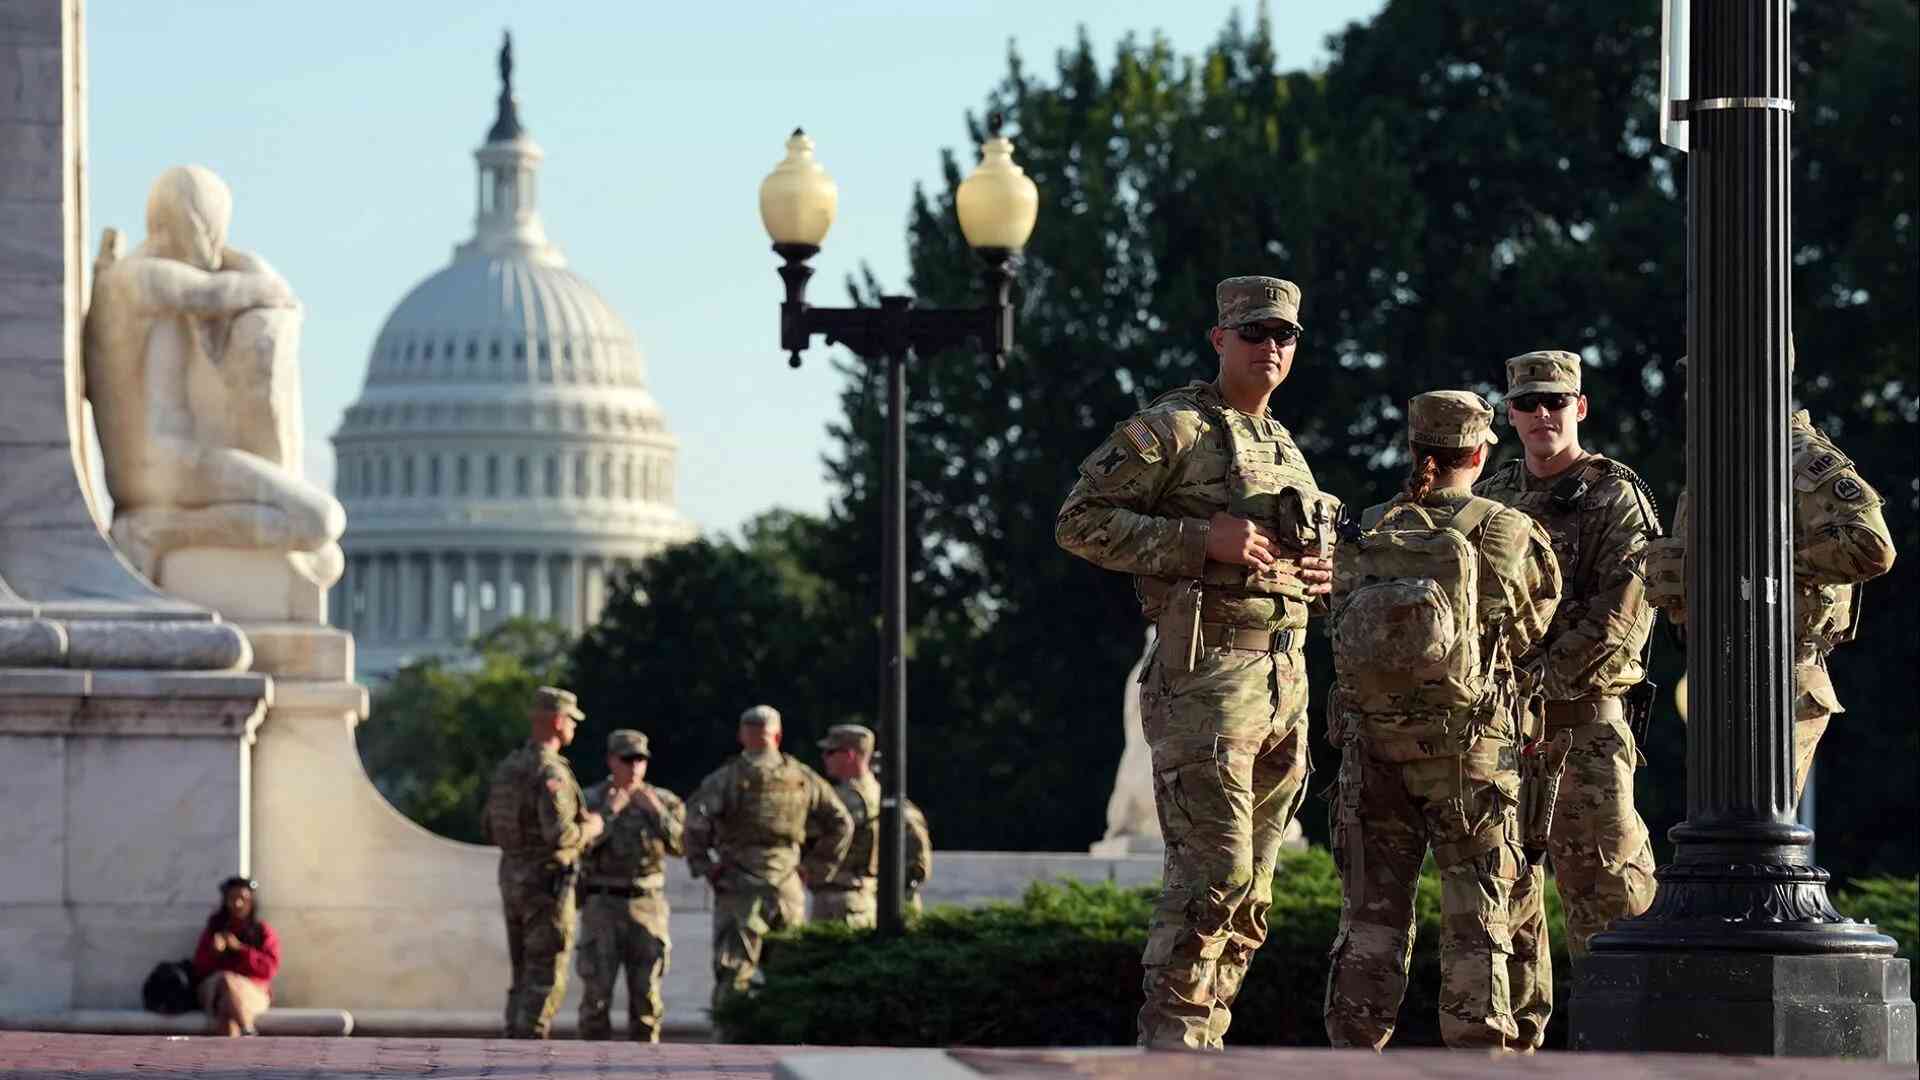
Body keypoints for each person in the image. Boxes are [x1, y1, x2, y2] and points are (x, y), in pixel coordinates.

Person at [1055, 276, 1341, 1050]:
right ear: (1220, 339)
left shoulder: (1283, 443)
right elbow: (1079, 521)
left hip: (1284, 681)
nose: (1270, 347)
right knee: (1210, 876)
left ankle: (1203, 1043)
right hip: (1207, 676)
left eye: (1284, 335)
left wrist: (1321, 574)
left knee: (1253, 889)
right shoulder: (1173, 428)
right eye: (1254, 333)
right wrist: (1195, 541)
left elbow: (1294, 553)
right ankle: (1170, 1047)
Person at [1322, 391, 1562, 1050]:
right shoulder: (1509, 530)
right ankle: (1479, 1057)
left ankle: (1352, 1054)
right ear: (1480, 453)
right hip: (1472, 755)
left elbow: (1336, 622)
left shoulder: (1368, 526)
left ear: (1415, 451)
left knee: (1371, 917)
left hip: (1371, 751)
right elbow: (1530, 630)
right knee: (1477, 915)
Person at [1472, 349, 1660, 1047]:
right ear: (1510, 413)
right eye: (1528, 403)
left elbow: (1621, 621)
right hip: (1502, 739)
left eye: (1557, 401)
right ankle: (1520, 1058)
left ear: (1581, 408)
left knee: (1610, 910)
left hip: (1583, 734)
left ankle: (1631, 1056)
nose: (1542, 414)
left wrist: (1527, 683)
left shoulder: (1616, 495)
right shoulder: (1492, 495)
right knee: (1505, 911)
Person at [1646, 402, 1895, 803]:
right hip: (1720, 673)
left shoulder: (1800, 454)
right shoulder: (1718, 458)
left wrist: (1767, 562)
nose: (1697, 395)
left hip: (1781, 678)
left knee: (1751, 826)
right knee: (1720, 828)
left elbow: (1872, 547)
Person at [684, 705, 852, 1010]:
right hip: (787, 884)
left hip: (739, 885)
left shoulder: (727, 778)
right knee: (789, 974)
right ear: (778, 734)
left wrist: (707, 868)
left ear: (742, 735)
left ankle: (730, 1042)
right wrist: (815, 868)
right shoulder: (802, 777)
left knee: (734, 971)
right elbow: (841, 822)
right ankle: (786, 1041)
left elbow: (694, 822)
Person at [480, 686, 603, 1039]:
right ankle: (527, 1051)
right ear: (558, 720)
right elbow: (560, 835)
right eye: (572, 721)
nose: (575, 729)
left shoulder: (510, 766)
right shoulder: (550, 772)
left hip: (513, 878)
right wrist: (591, 828)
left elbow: (489, 825)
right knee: (545, 973)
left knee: (522, 973)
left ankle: (513, 1040)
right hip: (545, 885)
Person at [576, 729, 685, 1042]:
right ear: (612, 761)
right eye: (627, 759)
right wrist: (611, 811)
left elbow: (684, 845)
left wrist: (657, 813)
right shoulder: (592, 799)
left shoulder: (663, 800)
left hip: (647, 905)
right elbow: (580, 844)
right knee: (595, 1000)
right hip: (602, 905)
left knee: (647, 1002)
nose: (635, 766)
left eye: (641, 759)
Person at [809, 724, 932, 927]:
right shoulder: (890, 798)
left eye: (830, 752)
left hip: (840, 900)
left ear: (849, 754)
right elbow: (918, 860)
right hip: (867, 898)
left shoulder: (844, 800)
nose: (824, 757)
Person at [191, 876, 280, 1037]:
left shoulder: (262, 930)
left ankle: (230, 1057)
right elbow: (198, 969)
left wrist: (240, 949)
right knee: (225, 980)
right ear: (225, 901)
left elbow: (269, 969)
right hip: (215, 988)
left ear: (252, 902)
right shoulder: (214, 929)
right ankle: (248, 1030)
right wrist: (214, 952)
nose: (238, 904)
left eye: (243, 899)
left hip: (251, 991)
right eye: (233, 899)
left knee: (227, 1010)